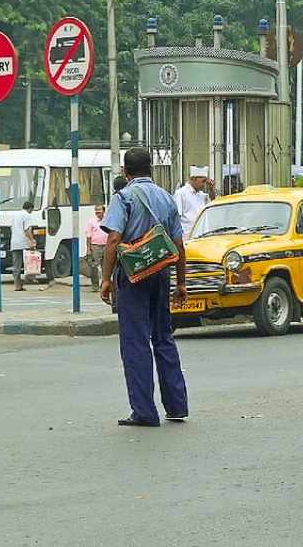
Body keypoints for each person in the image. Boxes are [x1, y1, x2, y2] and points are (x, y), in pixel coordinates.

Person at [99, 147, 190, 426]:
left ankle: (144, 412)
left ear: (125, 173)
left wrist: (105, 278)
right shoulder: (166, 198)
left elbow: (114, 239)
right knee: (163, 338)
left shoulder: (123, 197)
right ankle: (177, 406)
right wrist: (182, 282)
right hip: (161, 274)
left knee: (136, 342)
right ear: (150, 169)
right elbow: (178, 244)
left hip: (133, 276)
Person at [173, 166, 214, 235]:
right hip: (187, 235)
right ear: (194, 179)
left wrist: (211, 189)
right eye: (203, 181)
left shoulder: (201, 195)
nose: (204, 185)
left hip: (202, 234)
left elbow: (212, 203)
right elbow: (176, 217)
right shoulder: (181, 193)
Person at [9, 200, 37, 292]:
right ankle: (29, 279)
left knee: (16, 265)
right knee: (30, 261)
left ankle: (17, 285)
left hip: (14, 242)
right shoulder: (27, 216)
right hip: (24, 242)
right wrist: (32, 240)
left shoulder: (15, 215)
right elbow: (27, 230)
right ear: (30, 209)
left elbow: (11, 228)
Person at [83, 204, 108, 292]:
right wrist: (88, 249)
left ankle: (105, 285)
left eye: (99, 210)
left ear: (103, 211)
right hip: (95, 247)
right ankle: (95, 286)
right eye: (96, 210)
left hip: (107, 246)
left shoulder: (108, 220)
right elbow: (88, 236)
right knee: (94, 267)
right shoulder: (91, 221)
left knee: (106, 267)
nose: (97, 212)